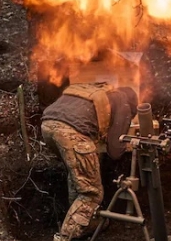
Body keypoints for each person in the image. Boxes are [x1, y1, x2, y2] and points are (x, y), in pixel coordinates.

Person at [41, 82, 138, 241]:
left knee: (77, 178)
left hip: (47, 124)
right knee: (91, 193)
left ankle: (83, 225)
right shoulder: (124, 102)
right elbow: (115, 151)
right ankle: (66, 237)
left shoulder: (99, 91)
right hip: (73, 133)